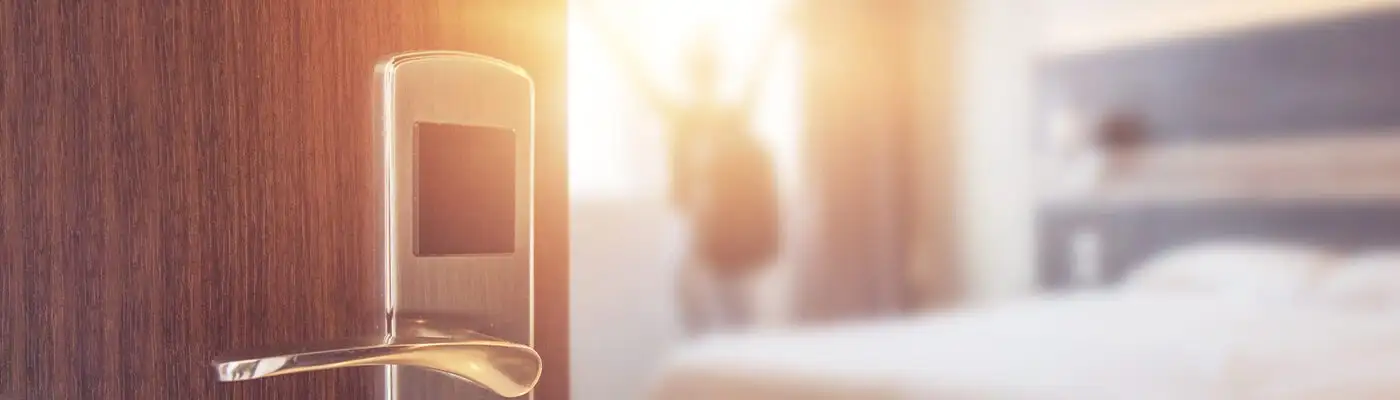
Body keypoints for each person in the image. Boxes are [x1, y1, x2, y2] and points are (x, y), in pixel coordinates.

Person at [582, 3, 793, 335]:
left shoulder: (726, 117)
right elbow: (635, 74)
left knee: (739, 317)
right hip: (695, 232)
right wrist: (602, 25)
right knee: (700, 313)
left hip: (725, 236)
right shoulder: (686, 118)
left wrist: (777, 30)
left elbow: (758, 74)